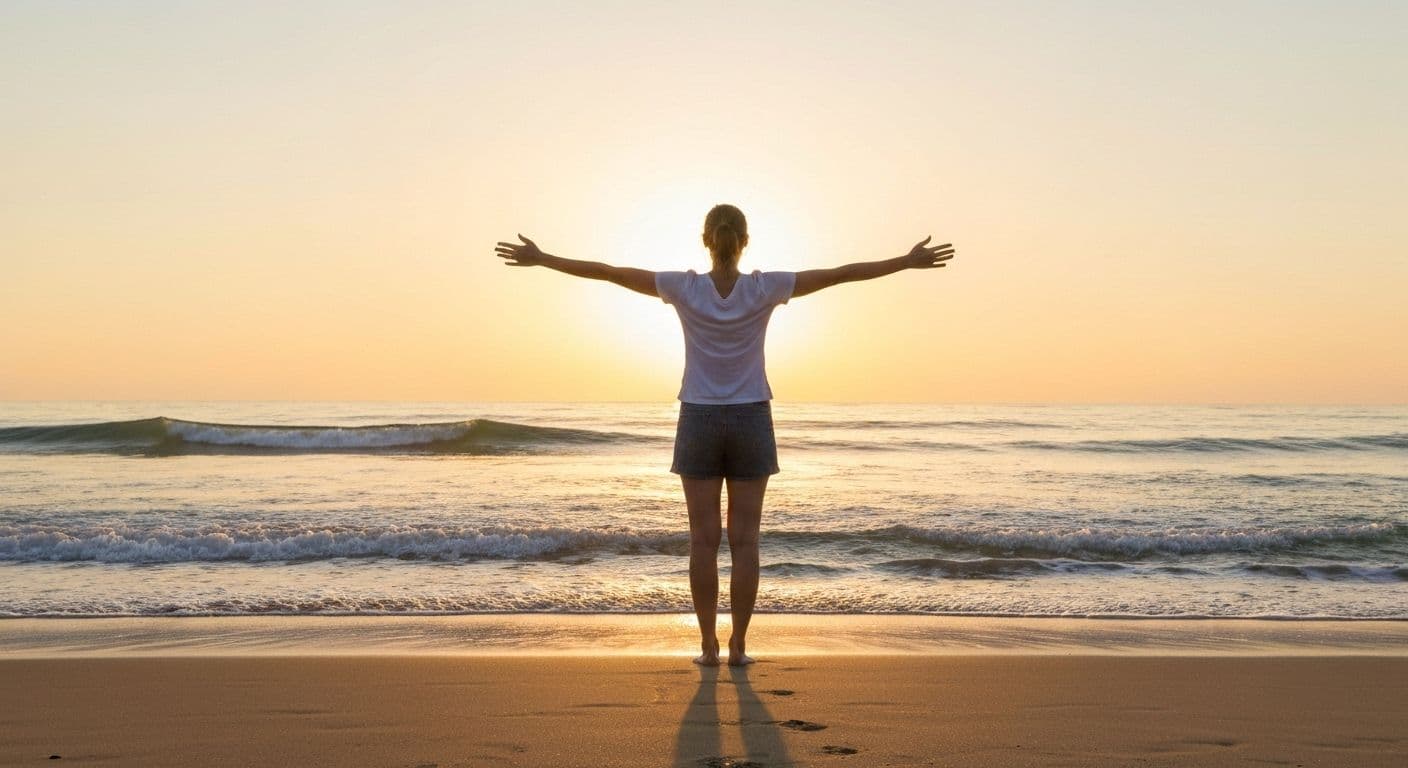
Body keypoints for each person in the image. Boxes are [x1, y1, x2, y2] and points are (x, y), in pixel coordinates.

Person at [496, 204, 955, 665]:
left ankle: (707, 647)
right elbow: (841, 274)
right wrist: (905, 261)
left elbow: (609, 272)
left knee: (702, 541)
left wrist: (544, 258)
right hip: (751, 419)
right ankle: (738, 646)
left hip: (698, 419)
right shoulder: (765, 286)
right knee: (746, 542)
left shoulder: (684, 286)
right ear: (744, 241)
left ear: (706, 240)